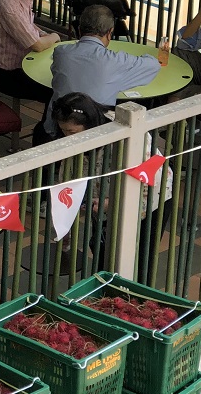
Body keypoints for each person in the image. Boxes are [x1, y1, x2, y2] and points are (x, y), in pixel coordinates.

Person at [51, 92, 173, 271]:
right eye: (64, 131)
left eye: (72, 132)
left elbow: (146, 178)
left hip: (150, 201)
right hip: (102, 204)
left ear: (90, 123)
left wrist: (114, 203)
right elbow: (66, 178)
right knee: (104, 254)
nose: (69, 137)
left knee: (139, 262)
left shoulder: (126, 133)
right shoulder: (76, 141)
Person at [34, 4, 161, 145]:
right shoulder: (116, 61)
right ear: (109, 33)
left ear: (80, 29)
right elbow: (153, 65)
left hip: (57, 128)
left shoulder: (61, 53)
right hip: (98, 133)